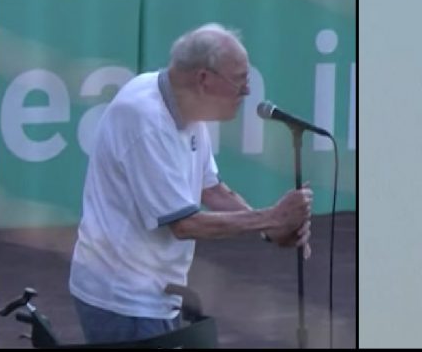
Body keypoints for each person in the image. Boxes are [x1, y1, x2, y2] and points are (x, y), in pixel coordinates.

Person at [68, 23, 312, 344]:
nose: (248, 91)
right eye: (240, 79)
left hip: (152, 295)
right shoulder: (145, 120)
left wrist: (270, 229)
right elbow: (183, 224)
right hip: (122, 300)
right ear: (204, 79)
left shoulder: (187, 108)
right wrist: (272, 217)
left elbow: (210, 190)